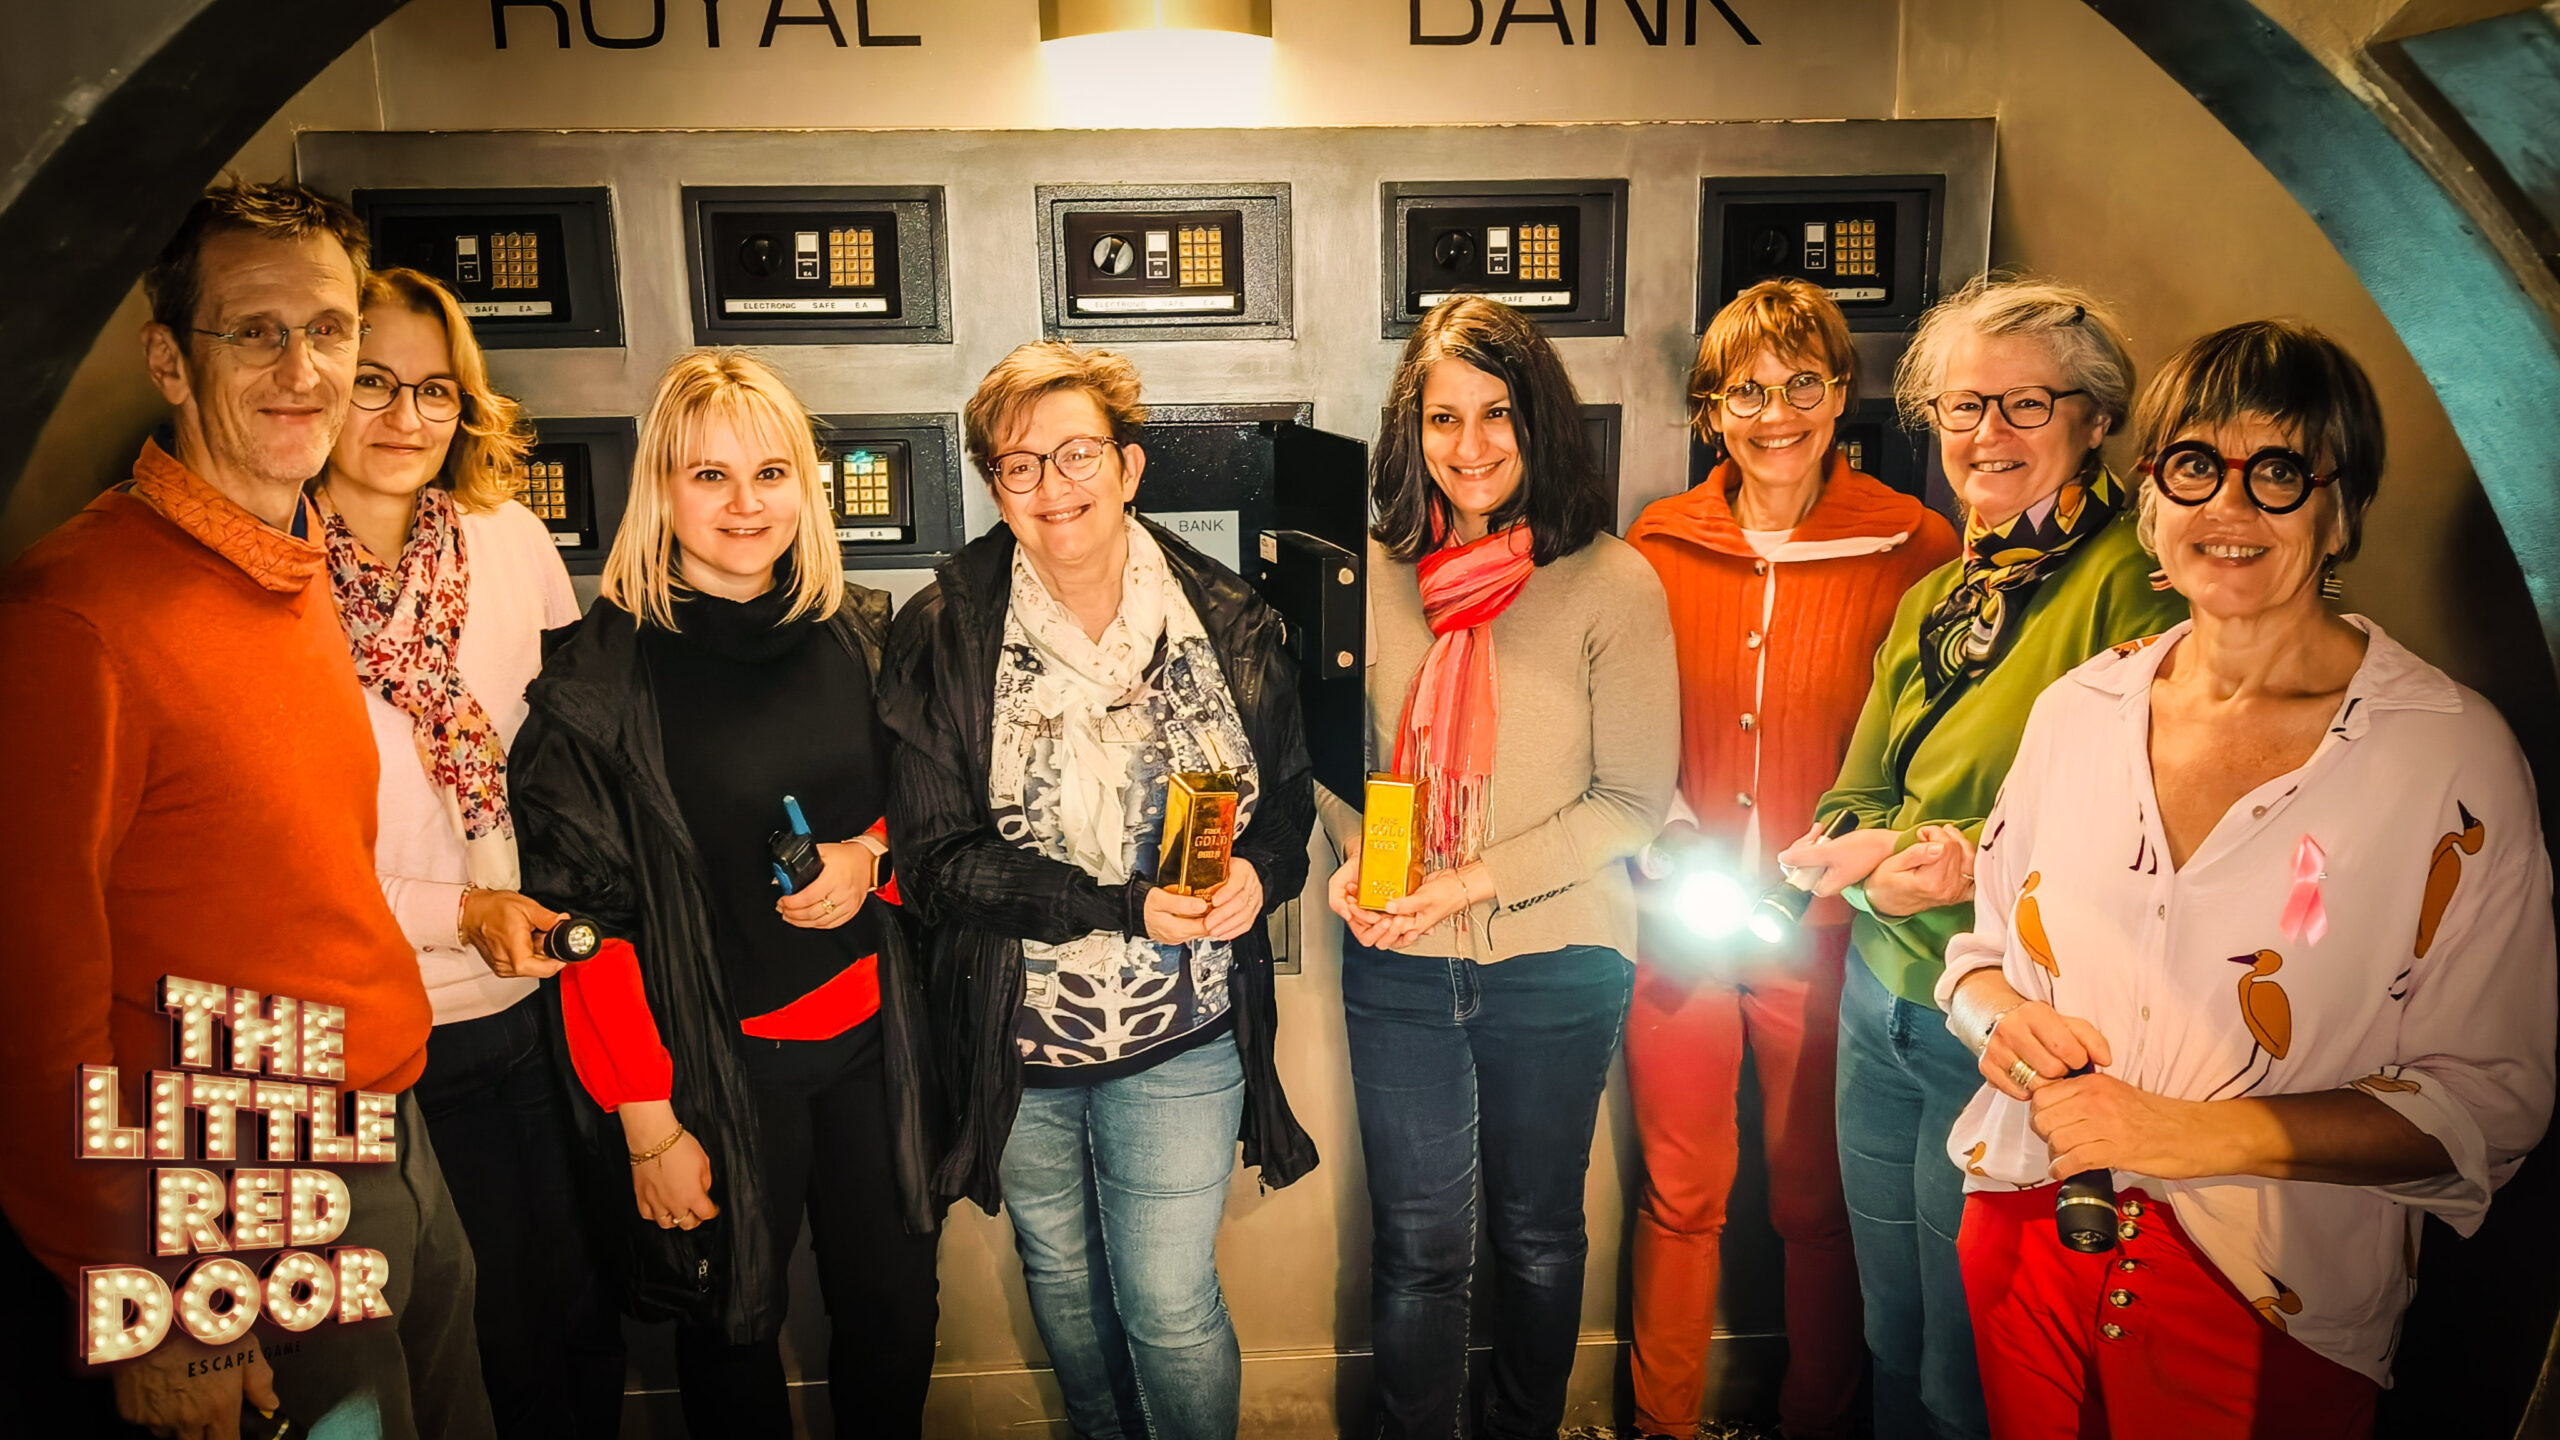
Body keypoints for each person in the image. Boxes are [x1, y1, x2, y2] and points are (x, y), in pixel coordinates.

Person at [1937, 319, 2555, 1438]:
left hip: (2267, 1293)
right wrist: (1999, 1024)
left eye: (2277, 472)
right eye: (2193, 466)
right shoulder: (2078, 712)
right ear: (2150, 496)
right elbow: (1980, 960)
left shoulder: (2445, 756)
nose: (2227, 506)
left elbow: (2488, 1100)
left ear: (2339, 511)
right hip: (2025, 1234)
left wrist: (2180, 1135)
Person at [0, 179, 494, 1439]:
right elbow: (32, 1012)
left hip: (387, 1130)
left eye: (327, 331)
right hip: (238, 1178)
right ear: (170, 360)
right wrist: (155, 1300)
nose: (302, 370)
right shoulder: (75, 616)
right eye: (254, 332)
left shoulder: (292, 562)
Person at [880, 341, 1317, 1440]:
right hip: (1017, 1041)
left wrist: (1259, 876)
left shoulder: (1229, 616)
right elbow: (934, 864)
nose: (1053, 486)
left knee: (1167, 1304)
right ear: (995, 486)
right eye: (1019, 465)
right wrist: (1118, 906)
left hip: (1184, 1032)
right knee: (1068, 1292)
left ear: (1128, 466)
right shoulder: (941, 633)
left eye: (1077, 453)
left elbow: (1287, 809)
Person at [1777, 275, 2186, 1440]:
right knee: (1890, 1328)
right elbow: (1857, 792)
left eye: (2024, 404)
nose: (1986, 434)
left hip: (2007, 1023)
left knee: (1967, 1370)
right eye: (1963, 407)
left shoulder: (2138, 581)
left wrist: (1955, 860)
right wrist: (1863, 857)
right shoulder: (1938, 596)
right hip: (1879, 996)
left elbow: (2143, 824)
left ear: (2094, 418)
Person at [509, 349, 941, 1438]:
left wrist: (868, 858)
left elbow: (927, 810)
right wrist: (648, 1127)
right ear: (661, 489)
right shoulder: (597, 681)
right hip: (712, 1070)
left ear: (806, 486)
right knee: (732, 1339)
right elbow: (584, 925)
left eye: (770, 473)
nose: (746, 504)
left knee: (895, 1317)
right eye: (710, 476)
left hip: (875, 1050)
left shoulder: (864, 635)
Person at [1322, 295, 1678, 1438]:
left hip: (1559, 959)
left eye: (1496, 414)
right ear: (1410, 428)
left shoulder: (1610, 582)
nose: (1469, 445)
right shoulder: (1368, 576)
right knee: (1417, 1247)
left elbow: (1630, 802)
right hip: (1401, 958)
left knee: (1536, 1237)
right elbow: (1336, 763)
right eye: (1443, 417)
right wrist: (1358, 862)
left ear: (1538, 422)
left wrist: (1472, 881)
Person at [1623, 279, 1959, 1440]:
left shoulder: (1915, 547)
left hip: (1829, 937)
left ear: (1841, 394)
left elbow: (1932, 743)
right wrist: (1666, 831)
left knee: (1817, 1202)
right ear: (1710, 409)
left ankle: (1818, 1420)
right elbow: (1630, 727)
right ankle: (1660, 1423)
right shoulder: (1658, 544)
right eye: (1747, 392)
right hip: (1682, 927)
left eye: (1802, 384)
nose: (1776, 415)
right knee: (1680, 1192)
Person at [312, 266, 624, 1437]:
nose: (406, 418)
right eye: (374, 383)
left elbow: (569, 766)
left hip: (519, 1005)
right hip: (355, 1029)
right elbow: (277, 850)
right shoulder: (273, 566)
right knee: (434, 1352)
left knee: (567, 1312)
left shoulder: (508, 540)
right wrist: (457, 911)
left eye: (435, 390)